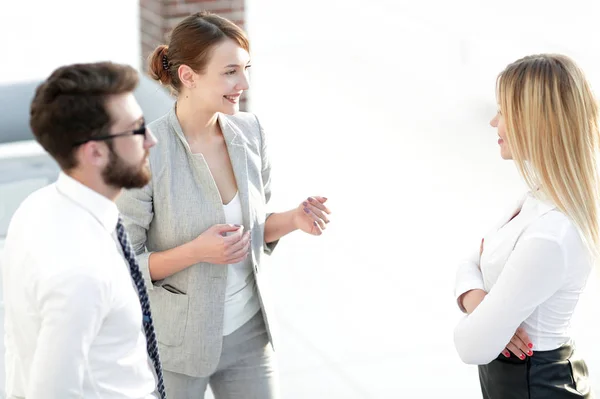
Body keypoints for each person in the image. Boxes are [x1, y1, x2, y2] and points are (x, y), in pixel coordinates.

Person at [116, 11, 331, 399]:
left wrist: (293, 220)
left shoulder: (251, 131)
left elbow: (252, 227)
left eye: (246, 68)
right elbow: (125, 261)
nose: (244, 83)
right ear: (188, 76)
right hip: (179, 346)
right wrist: (197, 252)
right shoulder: (148, 153)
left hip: (250, 333)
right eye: (230, 71)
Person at [2, 62, 166, 399]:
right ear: (95, 151)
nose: (152, 140)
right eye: (137, 130)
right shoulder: (82, 274)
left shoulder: (36, 206)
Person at [453, 54, 598, 398]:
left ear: (532, 121)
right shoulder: (536, 198)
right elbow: (468, 262)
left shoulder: (552, 232)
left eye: (502, 111)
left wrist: (483, 315)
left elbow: (470, 345)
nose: (493, 122)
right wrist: (480, 302)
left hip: (537, 386)